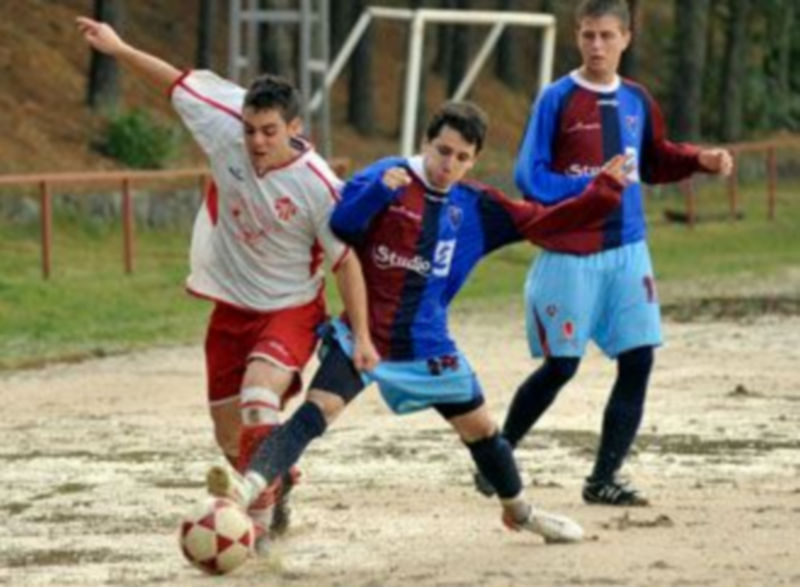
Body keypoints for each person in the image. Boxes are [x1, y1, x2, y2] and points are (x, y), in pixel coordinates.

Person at [206, 100, 632, 544]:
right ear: (426, 142)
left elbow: (545, 221)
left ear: (474, 161)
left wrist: (602, 193)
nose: (449, 165)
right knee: (315, 413)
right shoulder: (387, 175)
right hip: (364, 339)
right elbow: (342, 224)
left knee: (483, 431)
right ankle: (247, 488)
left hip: (428, 346)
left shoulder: (477, 206)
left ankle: (520, 512)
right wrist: (378, 194)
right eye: (443, 151)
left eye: (462, 157)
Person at [75, 17, 380, 542]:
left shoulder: (320, 187)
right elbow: (174, 81)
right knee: (229, 435)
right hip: (231, 307)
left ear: (295, 128)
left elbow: (347, 262)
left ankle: (255, 535)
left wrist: (365, 337)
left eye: (269, 132)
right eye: (250, 130)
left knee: (258, 397)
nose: (256, 141)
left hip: (290, 308)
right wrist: (119, 48)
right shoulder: (224, 122)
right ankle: (279, 478)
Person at [476, 0, 733, 506]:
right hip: (571, 254)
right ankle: (495, 459)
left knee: (638, 360)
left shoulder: (637, 99)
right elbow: (530, 176)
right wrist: (593, 187)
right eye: (588, 35)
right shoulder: (557, 98)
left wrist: (699, 159)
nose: (597, 45)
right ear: (577, 36)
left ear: (626, 38)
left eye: (607, 36)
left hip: (629, 251)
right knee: (561, 367)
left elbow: (654, 160)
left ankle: (603, 478)